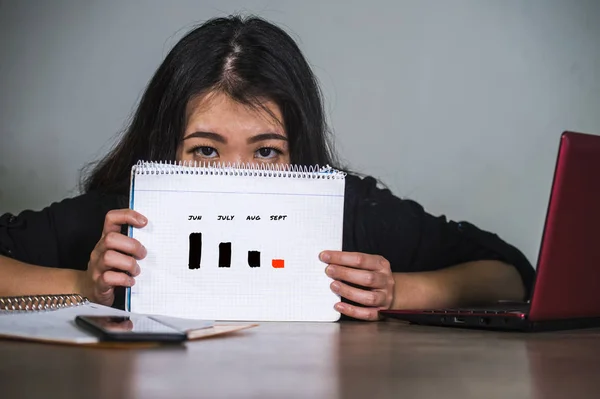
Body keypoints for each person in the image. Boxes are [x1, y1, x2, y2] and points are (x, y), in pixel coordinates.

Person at [0, 15, 534, 321]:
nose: (237, 179)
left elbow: (507, 272)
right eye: (205, 151)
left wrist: (396, 292)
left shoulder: (344, 210)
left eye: (266, 152)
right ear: (166, 150)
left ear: (297, 153)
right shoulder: (125, 216)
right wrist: (82, 282)